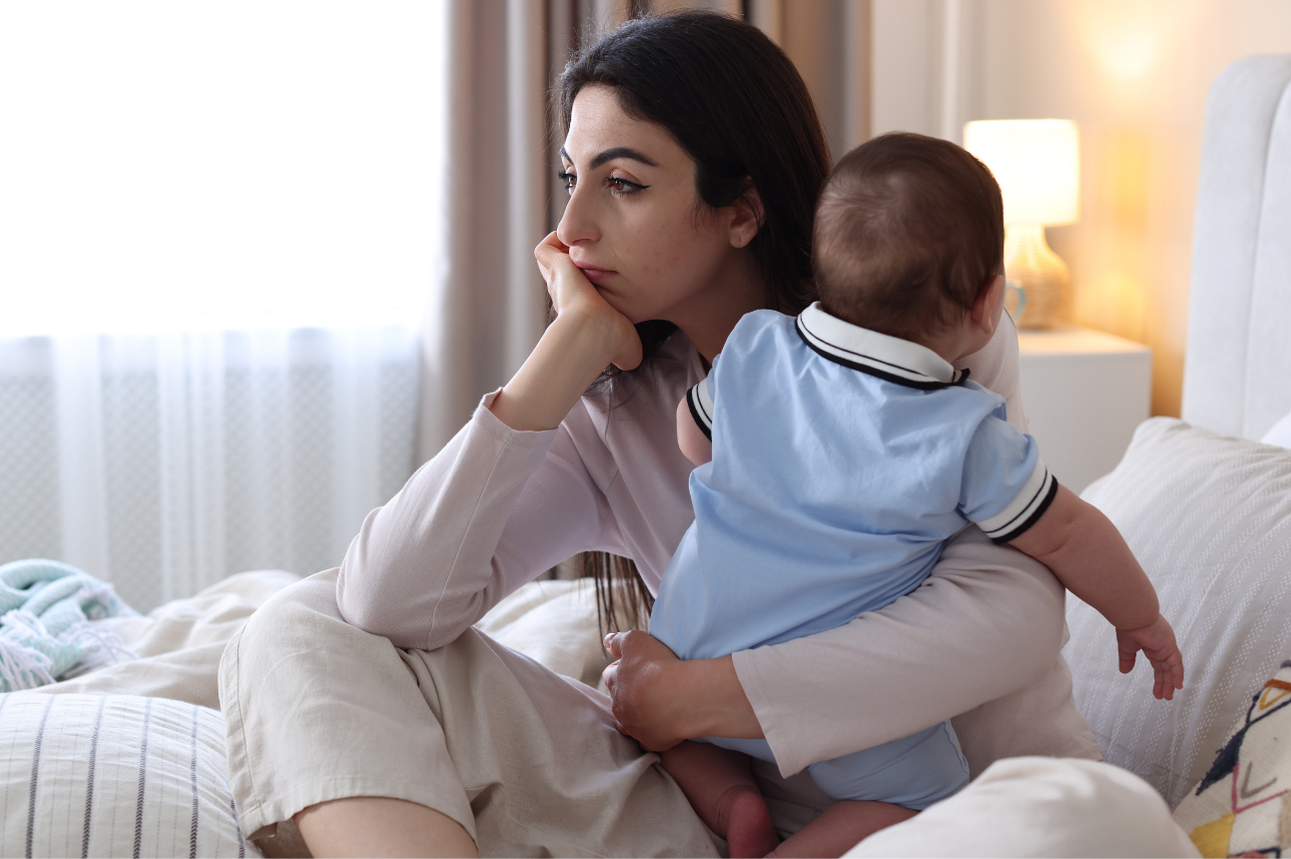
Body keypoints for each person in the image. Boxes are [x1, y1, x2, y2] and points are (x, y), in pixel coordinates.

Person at [218, 12, 1103, 858]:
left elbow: (1012, 616)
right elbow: (389, 603)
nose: (570, 231)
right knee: (301, 625)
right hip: (714, 809)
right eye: (570, 178)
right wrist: (560, 355)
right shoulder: (611, 408)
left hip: (951, 811)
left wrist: (700, 696)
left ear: (741, 211)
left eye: (624, 184)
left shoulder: (920, 339)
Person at [651, 133, 1184, 858]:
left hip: (689, 638)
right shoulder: (964, 432)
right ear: (988, 302)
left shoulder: (755, 345)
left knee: (675, 736)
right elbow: (1067, 533)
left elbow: (693, 439)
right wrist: (1140, 616)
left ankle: (731, 800)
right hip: (814, 681)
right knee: (922, 798)